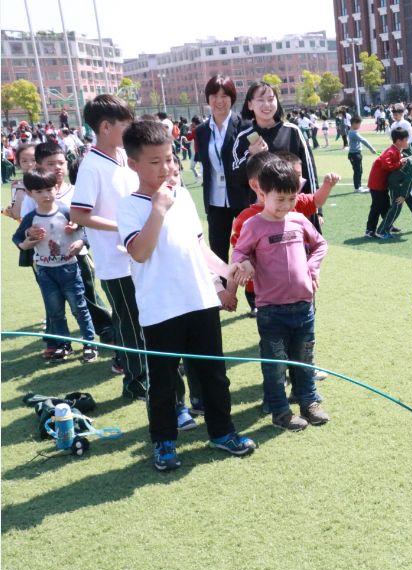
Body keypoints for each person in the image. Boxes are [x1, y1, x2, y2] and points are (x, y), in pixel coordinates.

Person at [117, 120, 257, 470]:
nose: (166, 168)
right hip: (161, 310)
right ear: (133, 164)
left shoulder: (183, 196)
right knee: (164, 382)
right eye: (155, 162)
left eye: (169, 159)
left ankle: (222, 432)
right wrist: (159, 209)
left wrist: (227, 274)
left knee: (213, 374)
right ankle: (164, 442)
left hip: (200, 302)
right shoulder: (130, 206)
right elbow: (140, 252)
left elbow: (199, 247)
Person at [230, 156, 330, 431]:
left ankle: (309, 402)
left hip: (303, 305)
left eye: (291, 199)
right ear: (262, 192)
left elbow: (320, 245)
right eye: (279, 199)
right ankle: (280, 411)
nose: (286, 206)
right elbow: (238, 252)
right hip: (272, 310)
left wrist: (313, 268)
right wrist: (245, 262)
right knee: (275, 365)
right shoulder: (253, 225)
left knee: (304, 358)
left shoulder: (298, 220)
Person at [69, 95, 149, 398]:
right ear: (105, 126)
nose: (131, 127)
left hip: (138, 254)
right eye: (125, 123)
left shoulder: (122, 158)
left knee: (138, 316)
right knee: (130, 321)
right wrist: (122, 227)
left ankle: (147, 367)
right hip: (115, 260)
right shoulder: (92, 165)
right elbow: (78, 214)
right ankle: (136, 382)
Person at [12, 168, 97, 363]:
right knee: (55, 311)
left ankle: (90, 344)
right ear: (30, 193)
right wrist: (28, 241)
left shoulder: (67, 212)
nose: (46, 195)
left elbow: (86, 232)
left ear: (56, 188)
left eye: (49, 189)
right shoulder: (30, 218)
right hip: (45, 272)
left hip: (69, 268)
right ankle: (63, 344)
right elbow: (18, 240)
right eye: (39, 191)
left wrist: (80, 242)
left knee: (79, 308)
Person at [231, 82, 320, 232]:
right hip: (260, 215)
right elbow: (235, 179)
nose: (267, 104)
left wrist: (317, 210)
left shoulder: (292, 131)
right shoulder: (243, 138)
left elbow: (309, 173)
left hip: (293, 209)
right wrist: (251, 154)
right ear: (250, 105)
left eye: (271, 99)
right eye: (260, 100)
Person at [194, 75, 253, 264]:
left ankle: (255, 293)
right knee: (217, 254)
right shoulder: (202, 131)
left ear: (232, 98)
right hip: (215, 201)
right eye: (214, 96)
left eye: (224, 95)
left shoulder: (246, 125)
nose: (219, 101)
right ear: (208, 99)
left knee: (250, 250)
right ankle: (223, 293)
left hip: (242, 197)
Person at [367, 127, 409, 239]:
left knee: (386, 206)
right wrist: (400, 162)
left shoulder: (395, 150)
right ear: (399, 141)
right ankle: (370, 230)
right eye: (406, 139)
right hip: (377, 184)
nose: (407, 142)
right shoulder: (391, 151)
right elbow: (387, 166)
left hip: (382, 184)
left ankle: (388, 225)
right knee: (376, 207)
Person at [347, 116, 378, 193]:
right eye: (359, 124)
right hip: (354, 154)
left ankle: (359, 186)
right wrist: (371, 148)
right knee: (357, 171)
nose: (359, 126)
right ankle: (357, 187)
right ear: (354, 123)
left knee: (359, 171)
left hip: (356, 154)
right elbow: (363, 140)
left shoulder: (353, 132)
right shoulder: (353, 133)